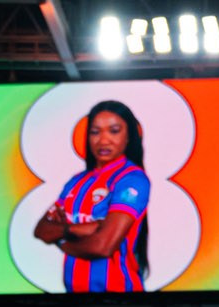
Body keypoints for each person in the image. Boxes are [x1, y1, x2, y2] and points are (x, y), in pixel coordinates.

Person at [31, 99, 152, 292]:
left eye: (114, 131)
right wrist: (77, 230)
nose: (103, 140)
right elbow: (42, 229)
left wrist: (61, 238)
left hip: (121, 301)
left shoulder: (132, 180)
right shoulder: (76, 181)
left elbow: (102, 246)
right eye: (95, 132)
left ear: (129, 136)